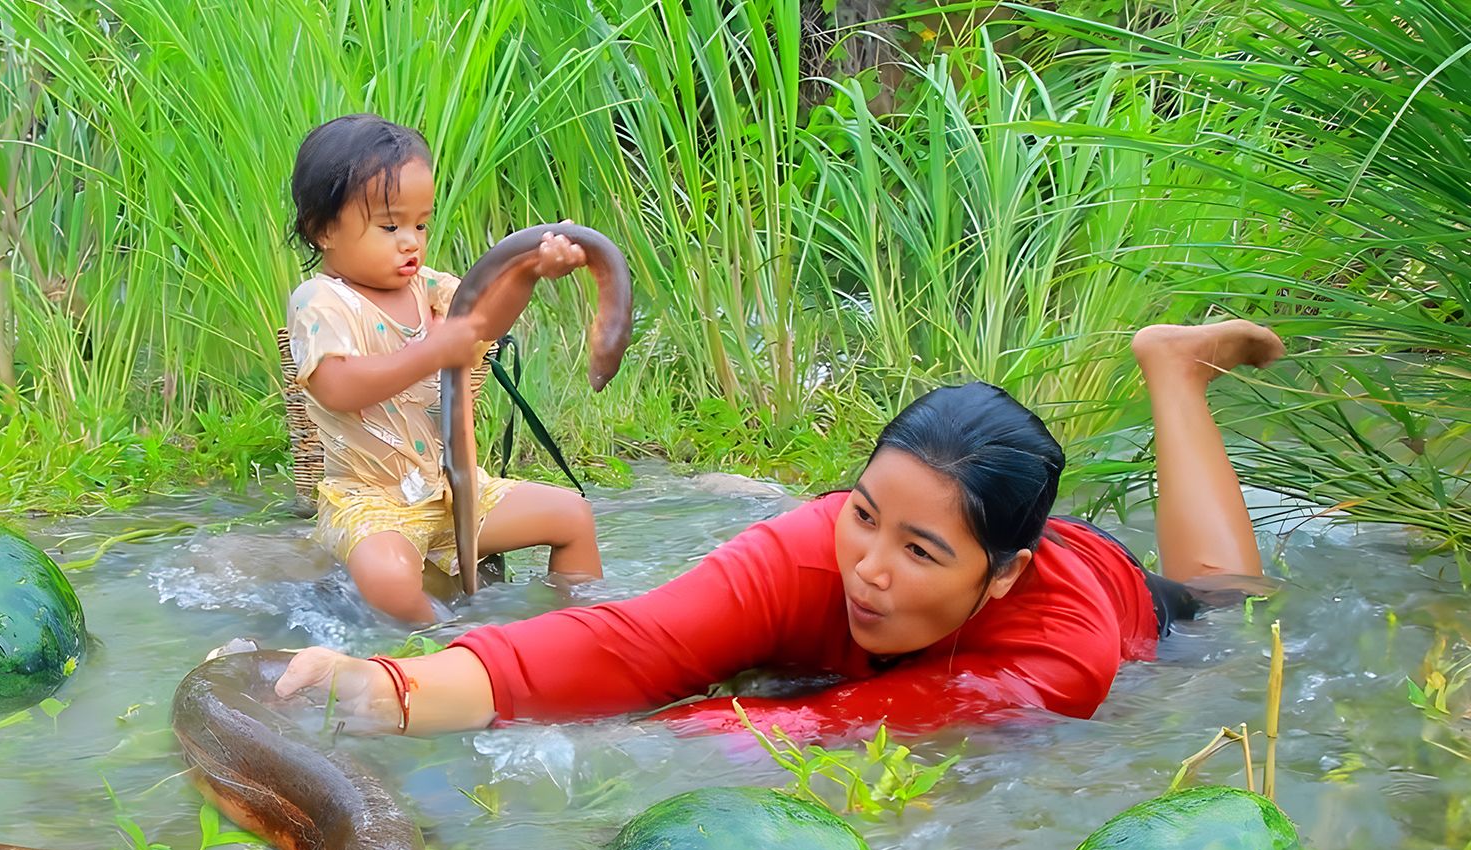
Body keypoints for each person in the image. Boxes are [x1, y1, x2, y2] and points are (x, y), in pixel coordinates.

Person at [272, 318, 1288, 742]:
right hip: (999, 531)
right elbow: (630, 644)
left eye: (917, 552)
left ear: (1001, 575)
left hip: (1117, 593)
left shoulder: (1061, 650)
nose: (870, 571)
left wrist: (624, 752)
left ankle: (1174, 368)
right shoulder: (813, 547)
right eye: (864, 517)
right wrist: (389, 690)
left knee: (1232, 599)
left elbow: (837, 730)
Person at [285, 114, 603, 624]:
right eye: (390, 226)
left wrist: (530, 272)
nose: (410, 240)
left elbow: (484, 321)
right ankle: (448, 647)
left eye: (421, 223)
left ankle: (580, 627)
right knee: (389, 578)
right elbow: (336, 386)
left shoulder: (427, 288)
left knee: (572, 516)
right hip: (370, 501)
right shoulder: (321, 302)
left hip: (453, 487)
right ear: (322, 230)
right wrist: (432, 352)